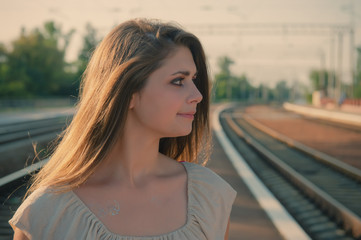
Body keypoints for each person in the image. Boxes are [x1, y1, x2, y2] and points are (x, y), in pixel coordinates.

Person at [9, 18, 236, 240]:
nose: (198, 96)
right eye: (178, 81)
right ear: (127, 93)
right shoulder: (47, 214)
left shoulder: (209, 197)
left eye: (194, 80)